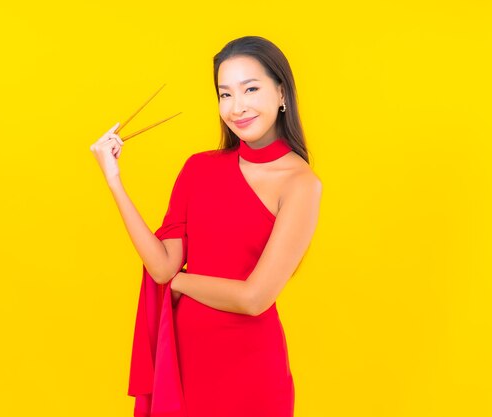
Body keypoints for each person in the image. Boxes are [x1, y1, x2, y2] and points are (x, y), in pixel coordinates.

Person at [90, 35, 322, 417]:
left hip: (251, 375)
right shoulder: (199, 168)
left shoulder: (301, 184)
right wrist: (114, 180)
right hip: (183, 363)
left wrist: (178, 283)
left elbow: (254, 298)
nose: (237, 107)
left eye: (250, 89)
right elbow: (162, 264)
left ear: (281, 93)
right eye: (225, 94)